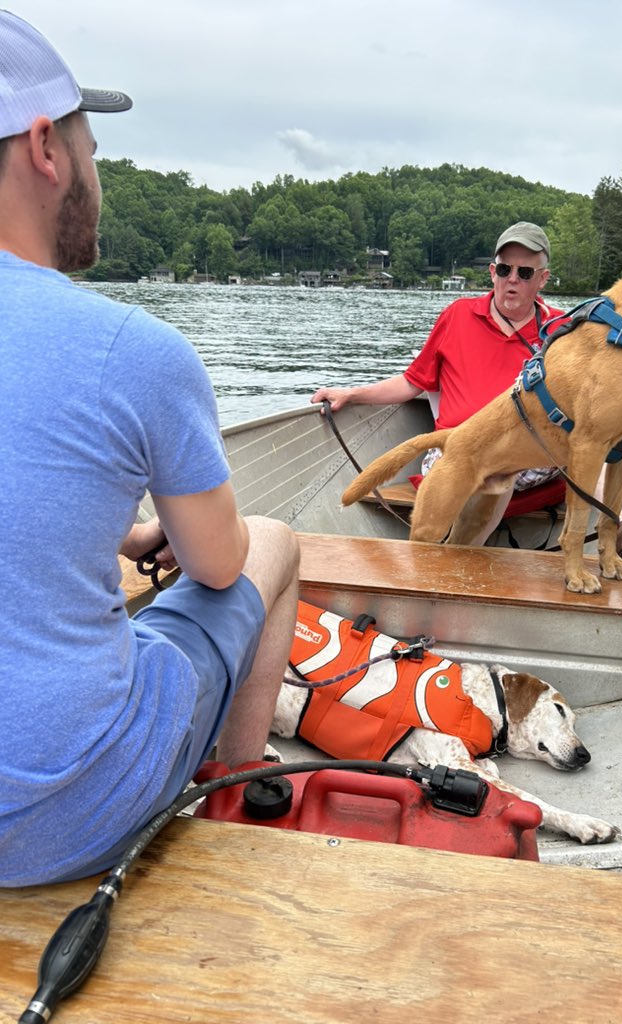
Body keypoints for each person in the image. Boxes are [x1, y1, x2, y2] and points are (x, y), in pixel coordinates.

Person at [0, 11, 299, 888]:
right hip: (52, 823)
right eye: (94, 149)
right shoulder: (133, 351)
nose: (98, 173)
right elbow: (215, 568)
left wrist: (118, 536)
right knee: (272, 546)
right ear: (47, 147)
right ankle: (234, 796)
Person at [312, 223, 622, 553]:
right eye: (505, 270)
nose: (513, 279)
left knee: (598, 441)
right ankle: (459, 556)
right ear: (492, 273)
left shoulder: (565, 327)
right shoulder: (457, 315)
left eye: (525, 272)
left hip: (544, 456)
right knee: (495, 456)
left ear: (543, 279)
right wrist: (351, 393)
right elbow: (412, 383)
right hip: (460, 448)